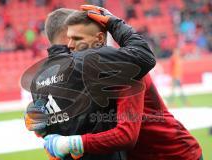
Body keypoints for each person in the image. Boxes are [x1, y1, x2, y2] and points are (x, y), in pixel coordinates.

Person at [42, 5, 202, 160]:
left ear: (98, 39)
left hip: (172, 154)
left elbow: (125, 135)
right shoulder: (84, 72)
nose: (70, 46)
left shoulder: (123, 69)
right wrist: (43, 121)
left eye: (76, 38)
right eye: (68, 39)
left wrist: (72, 143)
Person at [22, 6, 155, 160]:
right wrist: (114, 23)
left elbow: (42, 130)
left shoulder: (37, 79)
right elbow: (144, 55)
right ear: (69, 33)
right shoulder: (88, 60)